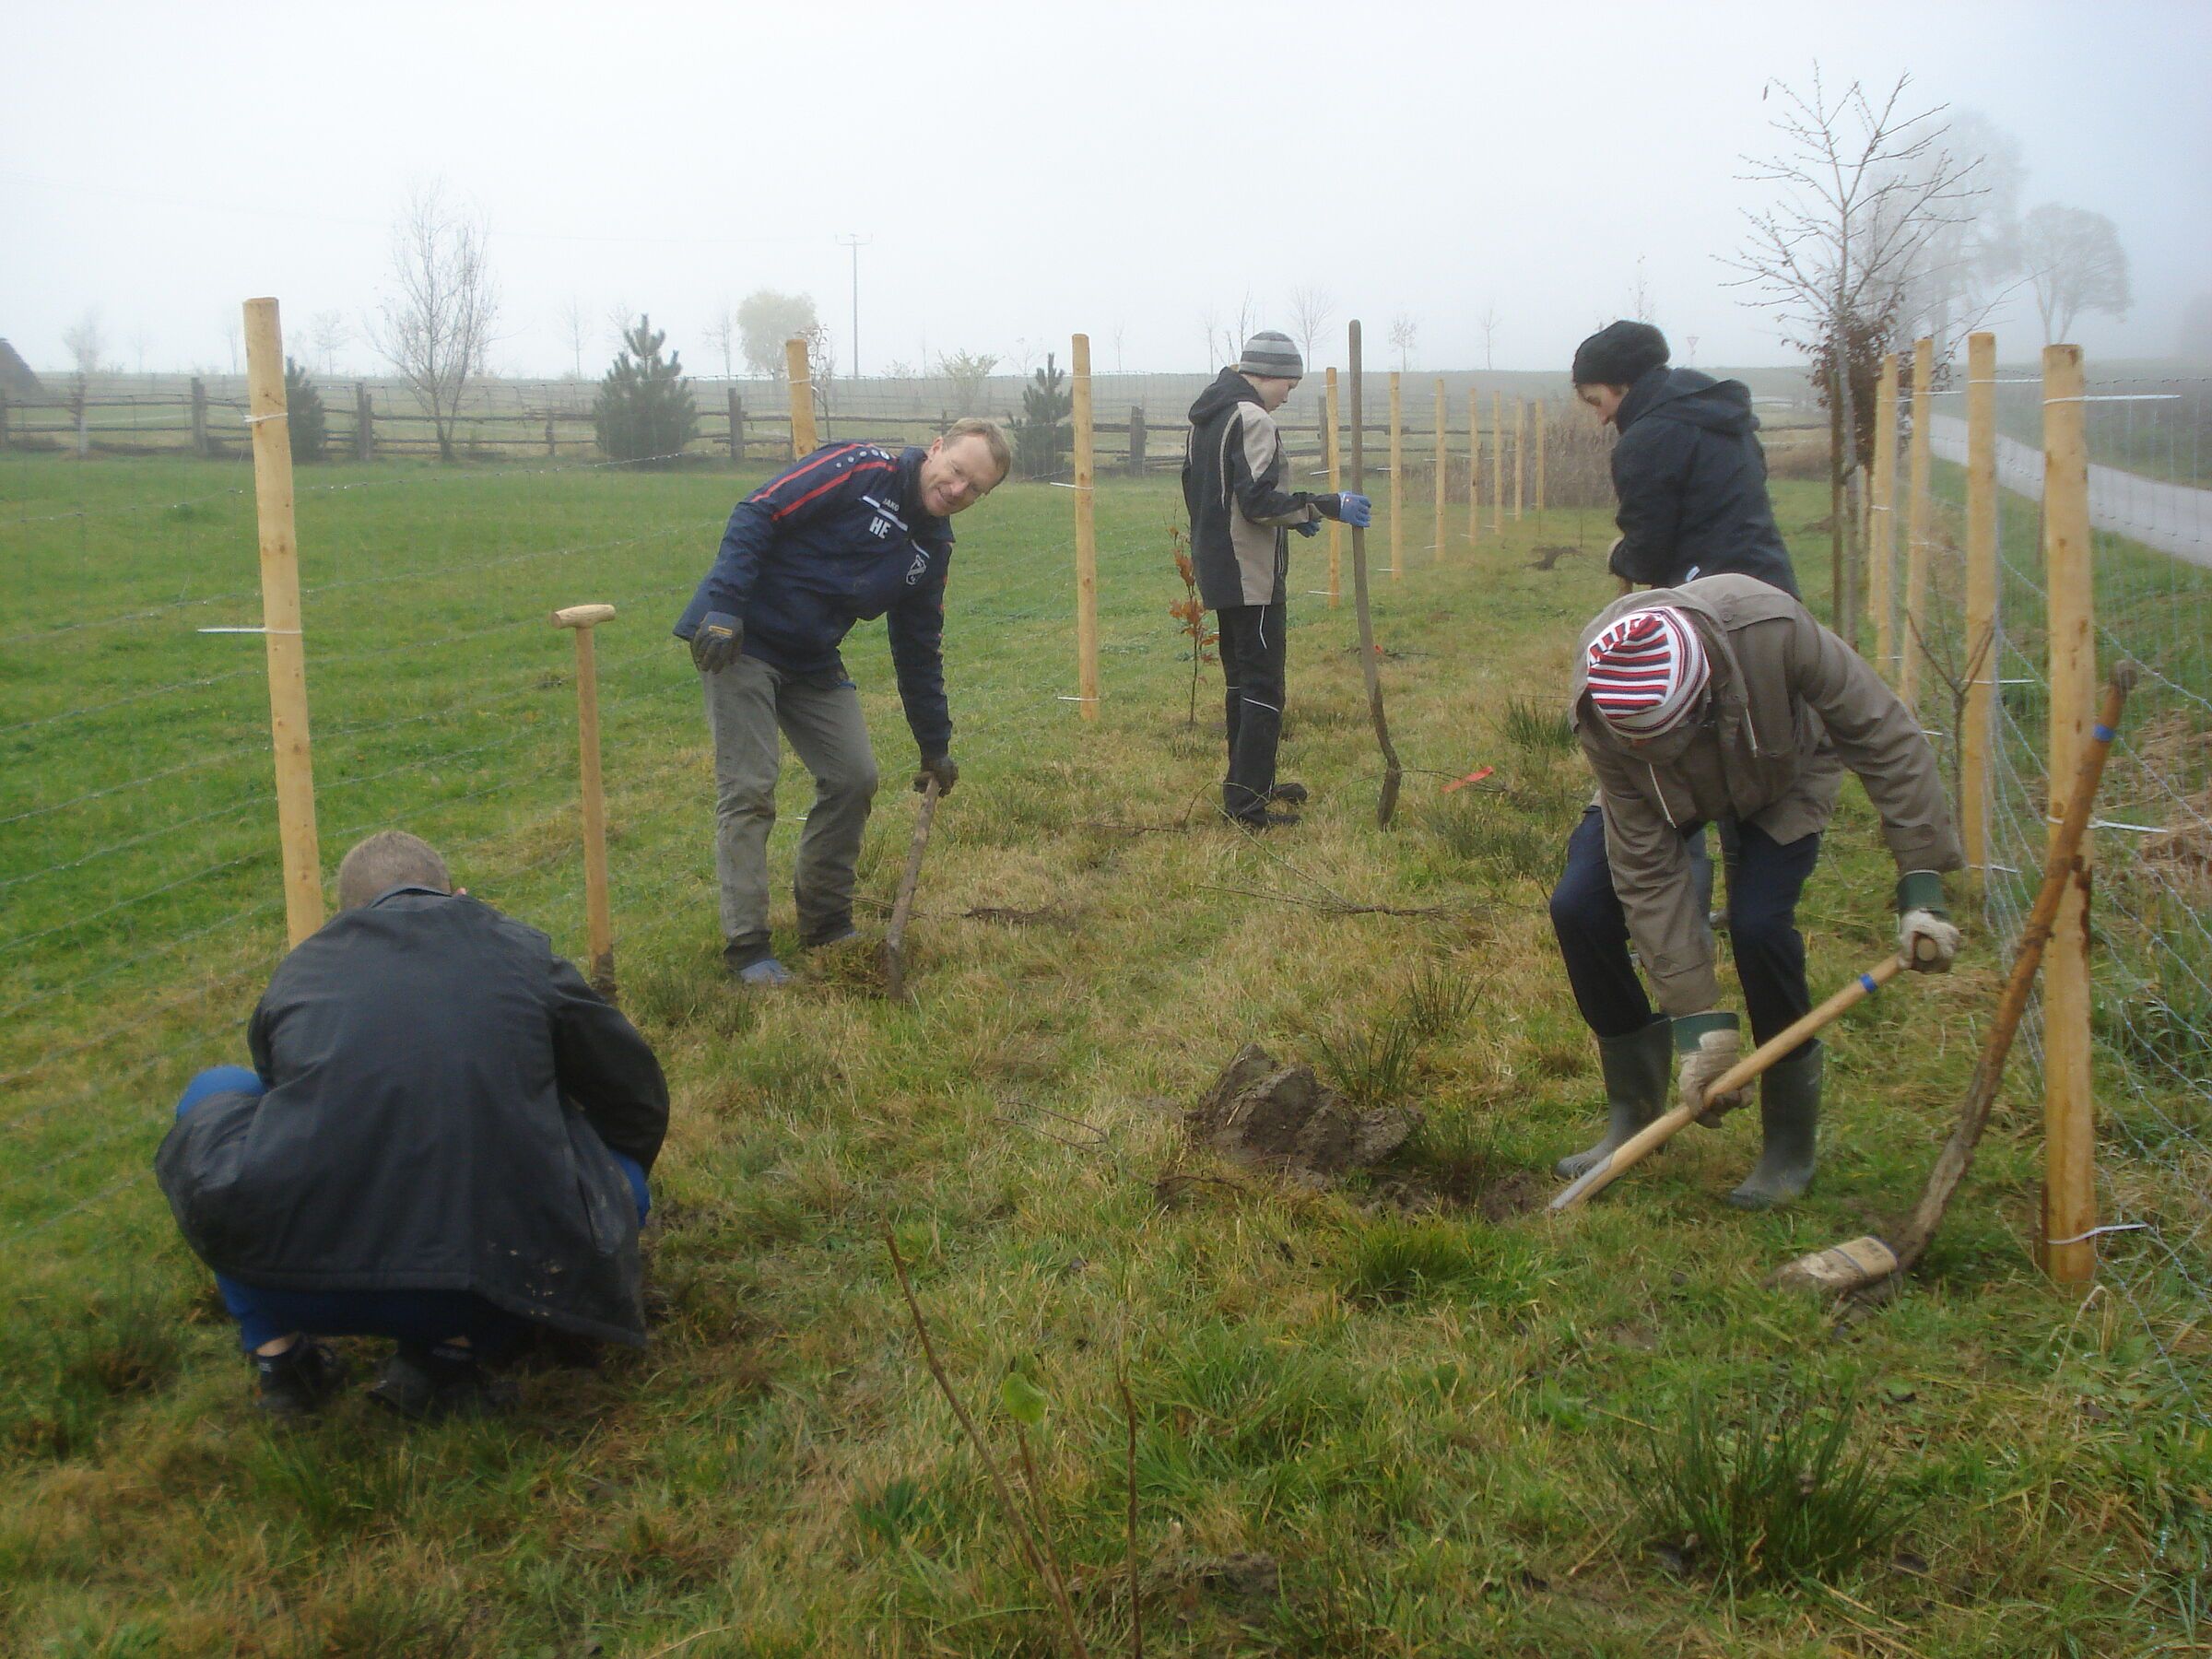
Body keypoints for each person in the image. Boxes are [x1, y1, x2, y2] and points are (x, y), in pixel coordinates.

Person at [154, 831, 669, 1419]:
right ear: (458, 894)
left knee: (216, 1089)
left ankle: (281, 1359)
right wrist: (598, 1181)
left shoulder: (304, 967)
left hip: (291, 1279)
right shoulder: (521, 952)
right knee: (615, 1180)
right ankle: (447, 1356)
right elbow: (630, 1090)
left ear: (345, 914)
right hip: (480, 1281)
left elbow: (278, 1086)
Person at [1547, 576, 1962, 1208]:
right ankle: (1633, 1114)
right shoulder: (1603, 703)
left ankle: (1787, 1146)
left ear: (1704, 699)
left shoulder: (1774, 633)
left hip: (1780, 771)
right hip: (1661, 798)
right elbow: (1649, 872)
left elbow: (1886, 739)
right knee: (1579, 908)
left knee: (1760, 926)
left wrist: (1921, 885)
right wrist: (1700, 1026)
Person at [673, 419, 1012, 985]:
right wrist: (727, 605)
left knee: (854, 777)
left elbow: (918, 647)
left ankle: (826, 922)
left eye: (975, 489)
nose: (958, 491)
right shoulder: (859, 469)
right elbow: (758, 510)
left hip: (811, 656)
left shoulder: (931, 547)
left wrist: (935, 744)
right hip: (741, 639)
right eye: (956, 472)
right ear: (936, 449)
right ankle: (748, 947)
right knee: (751, 787)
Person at [1183, 330, 1372, 828]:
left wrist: (1295, 514)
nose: (1289, 394)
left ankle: (1250, 786)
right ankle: (1247, 807)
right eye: (1289, 383)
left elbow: (1221, 495)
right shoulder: (1251, 418)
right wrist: (1328, 505)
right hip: (1251, 574)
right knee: (1263, 687)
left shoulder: (1207, 417)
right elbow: (1259, 501)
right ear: (1266, 373)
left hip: (1219, 566)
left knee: (1240, 683)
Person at [1571, 319, 1799, 596]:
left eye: (1597, 401)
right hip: (1776, 594)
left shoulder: (1647, 440)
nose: (1603, 418)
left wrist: (1619, 556)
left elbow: (1647, 558)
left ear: (1625, 385)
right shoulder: (1726, 420)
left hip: (1714, 607)